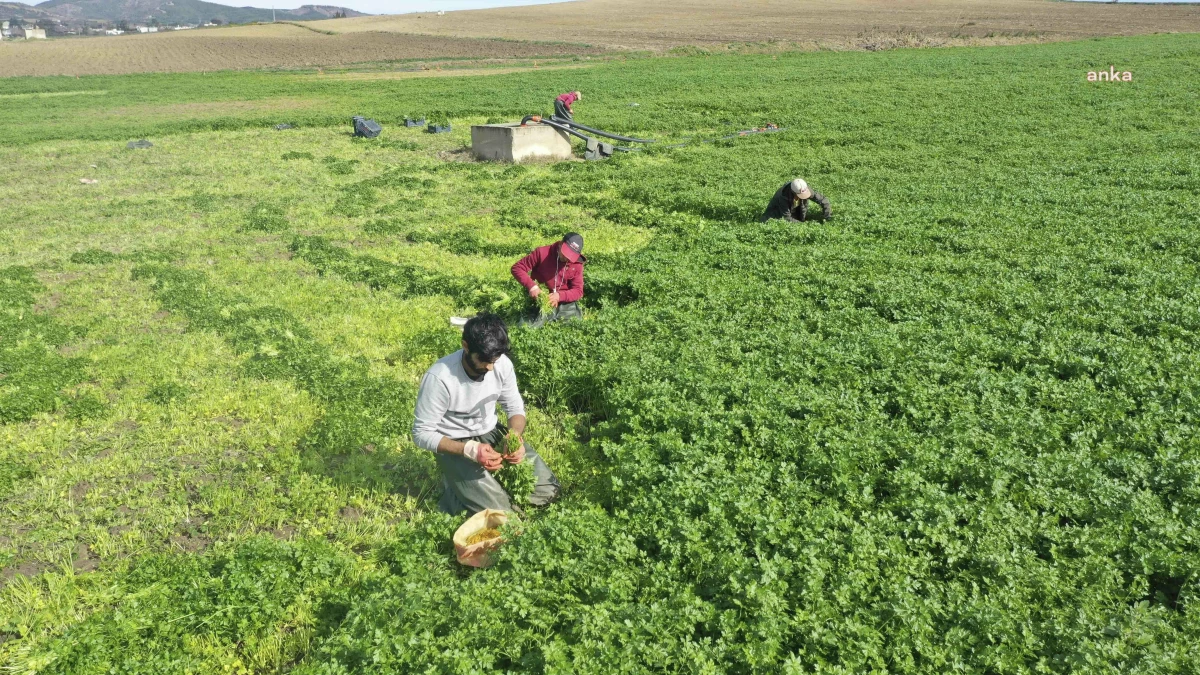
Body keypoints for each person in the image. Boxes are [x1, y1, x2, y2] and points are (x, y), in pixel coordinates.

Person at [412, 314, 560, 515]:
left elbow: (515, 408)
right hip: (455, 442)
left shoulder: (501, 365)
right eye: (483, 360)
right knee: (502, 513)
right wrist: (471, 450)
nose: (490, 367)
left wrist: (514, 436)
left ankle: (471, 488)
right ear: (466, 346)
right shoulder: (440, 377)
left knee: (548, 490)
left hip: (490, 431)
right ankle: (455, 486)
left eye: (494, 360)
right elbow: (421, 434)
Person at [511, 233, 586, 328]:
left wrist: (559, 296)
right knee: (527, 326)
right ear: (560, 244)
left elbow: (578, 291)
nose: (567, 258)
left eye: (571, 256)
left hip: (562, 299)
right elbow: (517, 268)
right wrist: (532, 286)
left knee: (570, 325)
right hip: (540, 296)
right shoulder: (542, 253)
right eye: (566, 253)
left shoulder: (577, 264)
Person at [761, 178, 833, 223]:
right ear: (793, 192)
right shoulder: (783, 196)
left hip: (794, 211)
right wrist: (803, 225)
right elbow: (786, 217)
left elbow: (823, 200)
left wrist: (827, 216)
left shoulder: (804, 188)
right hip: (777, 214)